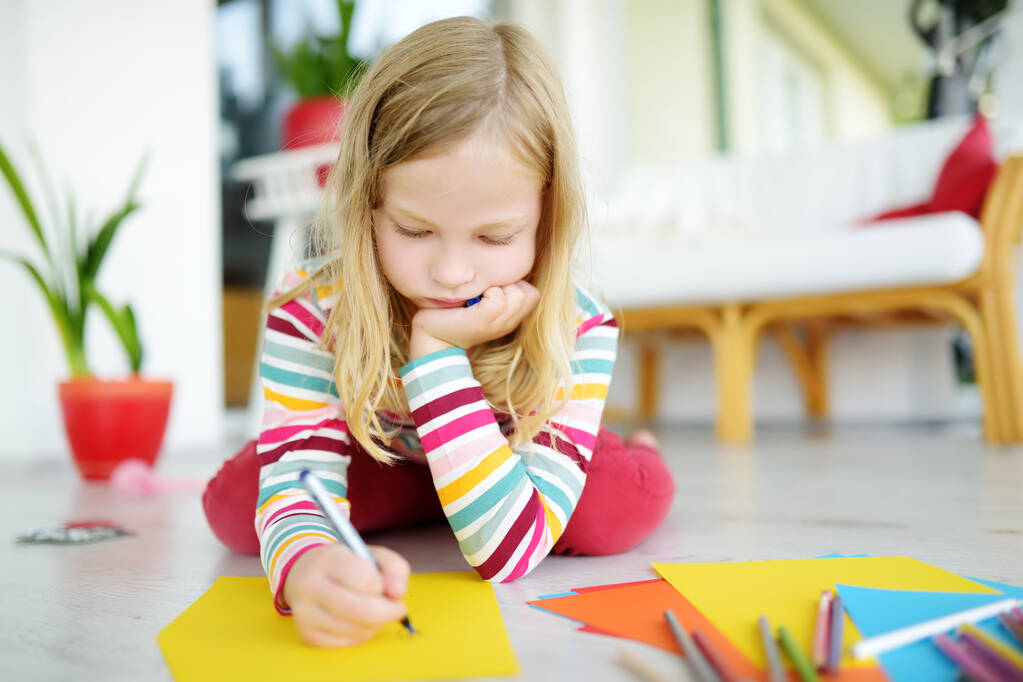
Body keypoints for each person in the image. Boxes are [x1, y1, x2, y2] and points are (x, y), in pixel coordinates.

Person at [202, 15, 675, 648]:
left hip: (513, 456)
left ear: (547, 216)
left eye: (494, 237)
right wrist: (310, 567)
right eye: (414, 230)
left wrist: (436, 351)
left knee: (614, 509)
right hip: (382, 455)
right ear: (367, 202)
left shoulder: (579, 323)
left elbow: (507, 556)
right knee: (236, 508)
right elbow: (298, 471)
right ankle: (438, 501)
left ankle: (636, 448)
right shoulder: (312, 312)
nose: (451, 274)